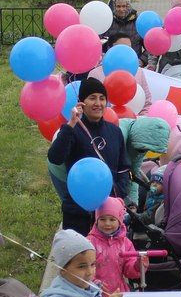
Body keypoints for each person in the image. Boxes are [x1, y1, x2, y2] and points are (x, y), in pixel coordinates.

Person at [47, 78, 132, 236]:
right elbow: (55, 157)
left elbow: (124, 168)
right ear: (81, 102)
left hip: (108, 214)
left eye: (102, 98)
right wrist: (71, 124)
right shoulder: (72, 130)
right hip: (78, 211)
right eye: (92, 98)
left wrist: (117, 195)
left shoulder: (114, 132)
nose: (98, 103)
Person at [88, 197, 144, 295]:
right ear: (96, 220)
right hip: (94, 294)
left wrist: (137, 266)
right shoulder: (90, 242)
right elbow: (83, 267)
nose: (107, 223)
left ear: (120, 221)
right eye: (102, 219)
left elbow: (129, 270)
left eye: (112, 219)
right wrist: (92, 282)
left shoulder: (125, 243)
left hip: (118, 292)